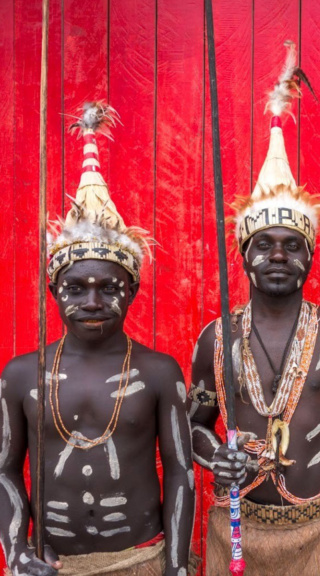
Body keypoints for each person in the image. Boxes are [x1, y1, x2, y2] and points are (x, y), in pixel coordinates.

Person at [189, 42, 320, 576]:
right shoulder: (217, 337)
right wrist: (214, 456)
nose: (277, 256)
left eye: (292, 245)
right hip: (239, 526)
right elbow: (193, 425)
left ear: (310, 256)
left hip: (319, 525)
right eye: (264, 245)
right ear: (243, 255)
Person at [0, 103, 195, 576]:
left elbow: (181, 472)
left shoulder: (158, 372)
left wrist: (175, 566)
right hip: (52, 565)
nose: (92, 301)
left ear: (132, 291)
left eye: (109, 288)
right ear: (53, 291)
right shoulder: (22, 374)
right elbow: (3, 469)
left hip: (141, 559)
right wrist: (16, 551)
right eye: (75, 288)